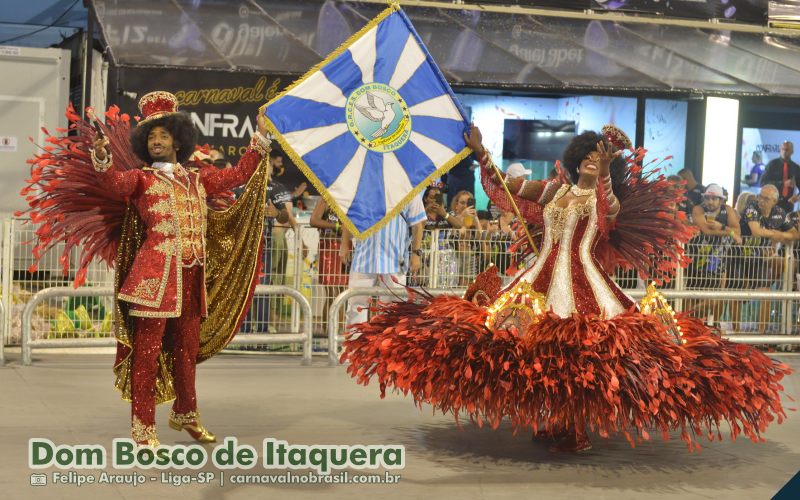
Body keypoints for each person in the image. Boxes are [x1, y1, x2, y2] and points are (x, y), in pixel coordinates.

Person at [341, 124, 790, 454]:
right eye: (589, 156)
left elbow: (608, 206)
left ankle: (574, 426)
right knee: (535, 351)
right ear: (576, 159)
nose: (594, 161)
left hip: (586, 282)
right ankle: (552, 420)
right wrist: (480, 155)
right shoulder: (554, 190)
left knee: (581, 355)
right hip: (541, 278)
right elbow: (505, 187)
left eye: (600, 156)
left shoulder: (603, 198)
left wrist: (609, 165)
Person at [90, 92, 272, 446]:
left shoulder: (196, 178)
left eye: (163, 135)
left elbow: (237, 175)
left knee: (186, 351)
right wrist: (101, 157)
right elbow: (111, 183)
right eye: (151, 137)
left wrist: (260, 136)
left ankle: (185, 412)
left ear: (178, 139)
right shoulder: (140, 179)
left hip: (191, 279)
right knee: (147, 355)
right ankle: (143, 430)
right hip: (153, 281)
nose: (156, 142)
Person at [339, 195, 426, 327]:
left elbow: (418, 224)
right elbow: (349, 217)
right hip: (363, 256)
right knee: (356, 305)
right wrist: (344, 244)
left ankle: (389, 347)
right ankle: (354, 347)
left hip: (395, 260)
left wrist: (416, 253)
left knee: (394, 309)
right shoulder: (363, 187)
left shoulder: (409, 188)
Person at [740, 184, 798, 333]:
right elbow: (756, 231)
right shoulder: (752, 207)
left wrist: (782, 235)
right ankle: (736, 331)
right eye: (760, 196)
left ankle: (761, 333)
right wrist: (775, 234)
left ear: (774, 201)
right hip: (741, 256)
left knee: (765, 291)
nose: (761, 201)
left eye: (766, 198)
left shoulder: (779, 212)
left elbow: (795, 234)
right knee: (737, 293)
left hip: (762, 258)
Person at [687, 184, 741, 329]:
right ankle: (690, 321)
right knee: (694, 294)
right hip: (698, 259)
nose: (710, 202)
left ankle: (714, 327)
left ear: (721, 200)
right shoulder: (698, 209)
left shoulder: (728, 210)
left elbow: (738, 231)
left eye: (714, 198)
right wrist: (729, 232)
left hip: (719, 260)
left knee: (716, 298)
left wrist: (721, 227)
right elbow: (706, 231)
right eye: (708, 198)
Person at [310, 198, 349, 326]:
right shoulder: (327, 198)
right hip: (329, 247)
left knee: (344, 293)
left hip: (347, 248)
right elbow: (313, 220)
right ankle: (328, 334)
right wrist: (337, 226)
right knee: (332, 293)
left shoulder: (350, 197)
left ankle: (341, 334)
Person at [760, 141, 800, 213]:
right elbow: (762, 183)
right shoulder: (772, 164)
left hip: (788, 205)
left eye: (787, 150)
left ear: (792, 151)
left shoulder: (796, 168)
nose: (784, 151)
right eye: (782, 149)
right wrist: (783, 183)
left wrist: (797, 197)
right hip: (772, 203)